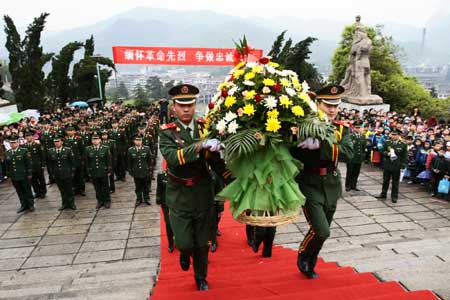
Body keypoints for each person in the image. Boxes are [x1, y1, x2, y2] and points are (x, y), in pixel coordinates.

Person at [159, 84, 221, 291]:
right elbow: (172, 158)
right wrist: (198, 146)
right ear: (173, 108)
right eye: (181, 105)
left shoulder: (205, 127)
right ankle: (185, 253)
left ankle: (201, 276)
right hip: (179, 195)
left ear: (195, 105)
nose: (186, 109)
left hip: (203, 192)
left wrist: (233, 177)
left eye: (190, 104)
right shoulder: (167, 133)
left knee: (202, 242)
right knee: (185, 243)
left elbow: (215, 162)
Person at [290, 85, 353, 279]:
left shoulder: (341, 129)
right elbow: (291, 149)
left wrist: (323, 144)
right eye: (327, 105)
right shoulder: (304, 125)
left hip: (332, 184)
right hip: (309, 182)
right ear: (317, 104)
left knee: (323, 229)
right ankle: (303, 254)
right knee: (322, 230)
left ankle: (311, 260)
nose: (332, 110)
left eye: (335, 106)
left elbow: (349, 153)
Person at [5, 135, 34, 213]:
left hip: (23, 174)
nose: (12, 144)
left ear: (17, 143)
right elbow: (7, 165)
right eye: (11, 143)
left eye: (14, 143)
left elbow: (28, 163)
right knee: (19, 191)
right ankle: (23, 205)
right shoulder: (8, 152)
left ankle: (30, 204)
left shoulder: (24, 151)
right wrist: (9, 175)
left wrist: (29, 173)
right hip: (14, 175)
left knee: (27, 190)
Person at [376, 129, 407, 203]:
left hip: (396, 165)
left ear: (399, 136)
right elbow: (382, 151)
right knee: (385, 180)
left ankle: (394, 196)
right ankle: (383, 194)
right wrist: (387, 154)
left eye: (395, 135)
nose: (393, 136)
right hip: (388, 164)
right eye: (392, 135)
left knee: (395, 182)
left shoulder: (403, 144)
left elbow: (404, 156)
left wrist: (402, 166)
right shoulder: (387, 142)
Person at [48, 135, 76, 210]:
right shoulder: (51, 151)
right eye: (55, 142)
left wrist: (72, 172)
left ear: (62, 142)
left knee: (69, 189)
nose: (56, 143)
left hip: (67, 173)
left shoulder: (67, 150)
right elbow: (50, 164)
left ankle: (71, 203)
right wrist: (52, 173)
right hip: (57, 173)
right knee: (62, 190)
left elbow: (72, 162)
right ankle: (64, 203)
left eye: (58, 141)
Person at [86, 133, 112, 209]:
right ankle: (100, 201)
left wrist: (109, 170)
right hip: (94, 171)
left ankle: (107, 201)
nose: (95, 141)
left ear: (100, 140)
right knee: (97, 187)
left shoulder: (105, 148)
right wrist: (88, 171)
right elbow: (87, 162)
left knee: (105, 187)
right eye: (93, 139)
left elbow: (109, 160)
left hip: (103, 171)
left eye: (97, 139)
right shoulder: (88, 149)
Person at [127, 135, 152, 207]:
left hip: (145, 171)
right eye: (137, 140)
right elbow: (129, 162)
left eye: (140, 140)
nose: (138, 142)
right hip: (136, 172)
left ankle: (146, 198)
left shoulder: (146, 149)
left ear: (142, 141)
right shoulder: (130, 150)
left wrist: (150, 169)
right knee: (138, 187)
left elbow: (150, 160)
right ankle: (139, 199)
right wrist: (131, 171)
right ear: (134, 141)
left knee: (146, 186)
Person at [23, 131, 46, 198]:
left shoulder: (37, 144)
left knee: (41, 179)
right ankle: (37, 192)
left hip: (37, 165)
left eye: (29, 136)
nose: (28, 137)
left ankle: (43, 192)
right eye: (26, 136)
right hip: (30, 166)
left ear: (32, 137)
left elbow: (42, 155)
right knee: (33, 180)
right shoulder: (24, 146)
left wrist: (43, 164)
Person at [64, 126, 85, 196]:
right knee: (72, 176)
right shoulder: (65, 140)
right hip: (69, 162)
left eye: (71, 130)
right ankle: (75, 189)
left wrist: (82, 160)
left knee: (80, 176)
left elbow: (82, 150)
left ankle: (82, 189)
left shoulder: (79, 139)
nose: (70, 132)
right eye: (68, 131)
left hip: (78, 160)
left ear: (74, 132)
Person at [345, 120, 366, 191]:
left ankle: (354, 185)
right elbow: (347, 147)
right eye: (356, 128)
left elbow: (363, 147)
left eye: (359, 128)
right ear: (353, 128)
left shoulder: (363, 136)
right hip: (351, 158)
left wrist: (363, 156)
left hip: (359, 158)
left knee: (356, 172)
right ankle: (348, 185)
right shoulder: (350, 136)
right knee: (350, 172)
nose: (358, 129)